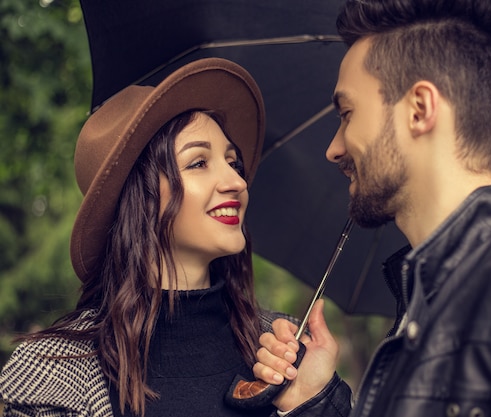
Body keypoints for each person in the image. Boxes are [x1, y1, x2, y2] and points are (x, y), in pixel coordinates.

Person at [252, 1, 491, 416]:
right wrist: (315, 400)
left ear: (419, 109)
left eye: (347, 113)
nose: (333, 148)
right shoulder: (424, 301)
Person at [0, 57, 295, 416]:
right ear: (140, 198)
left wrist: (317, 402)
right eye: (198, 163)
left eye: (233, 163)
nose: (237, 182)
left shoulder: (282, 348)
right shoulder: (53, 374)